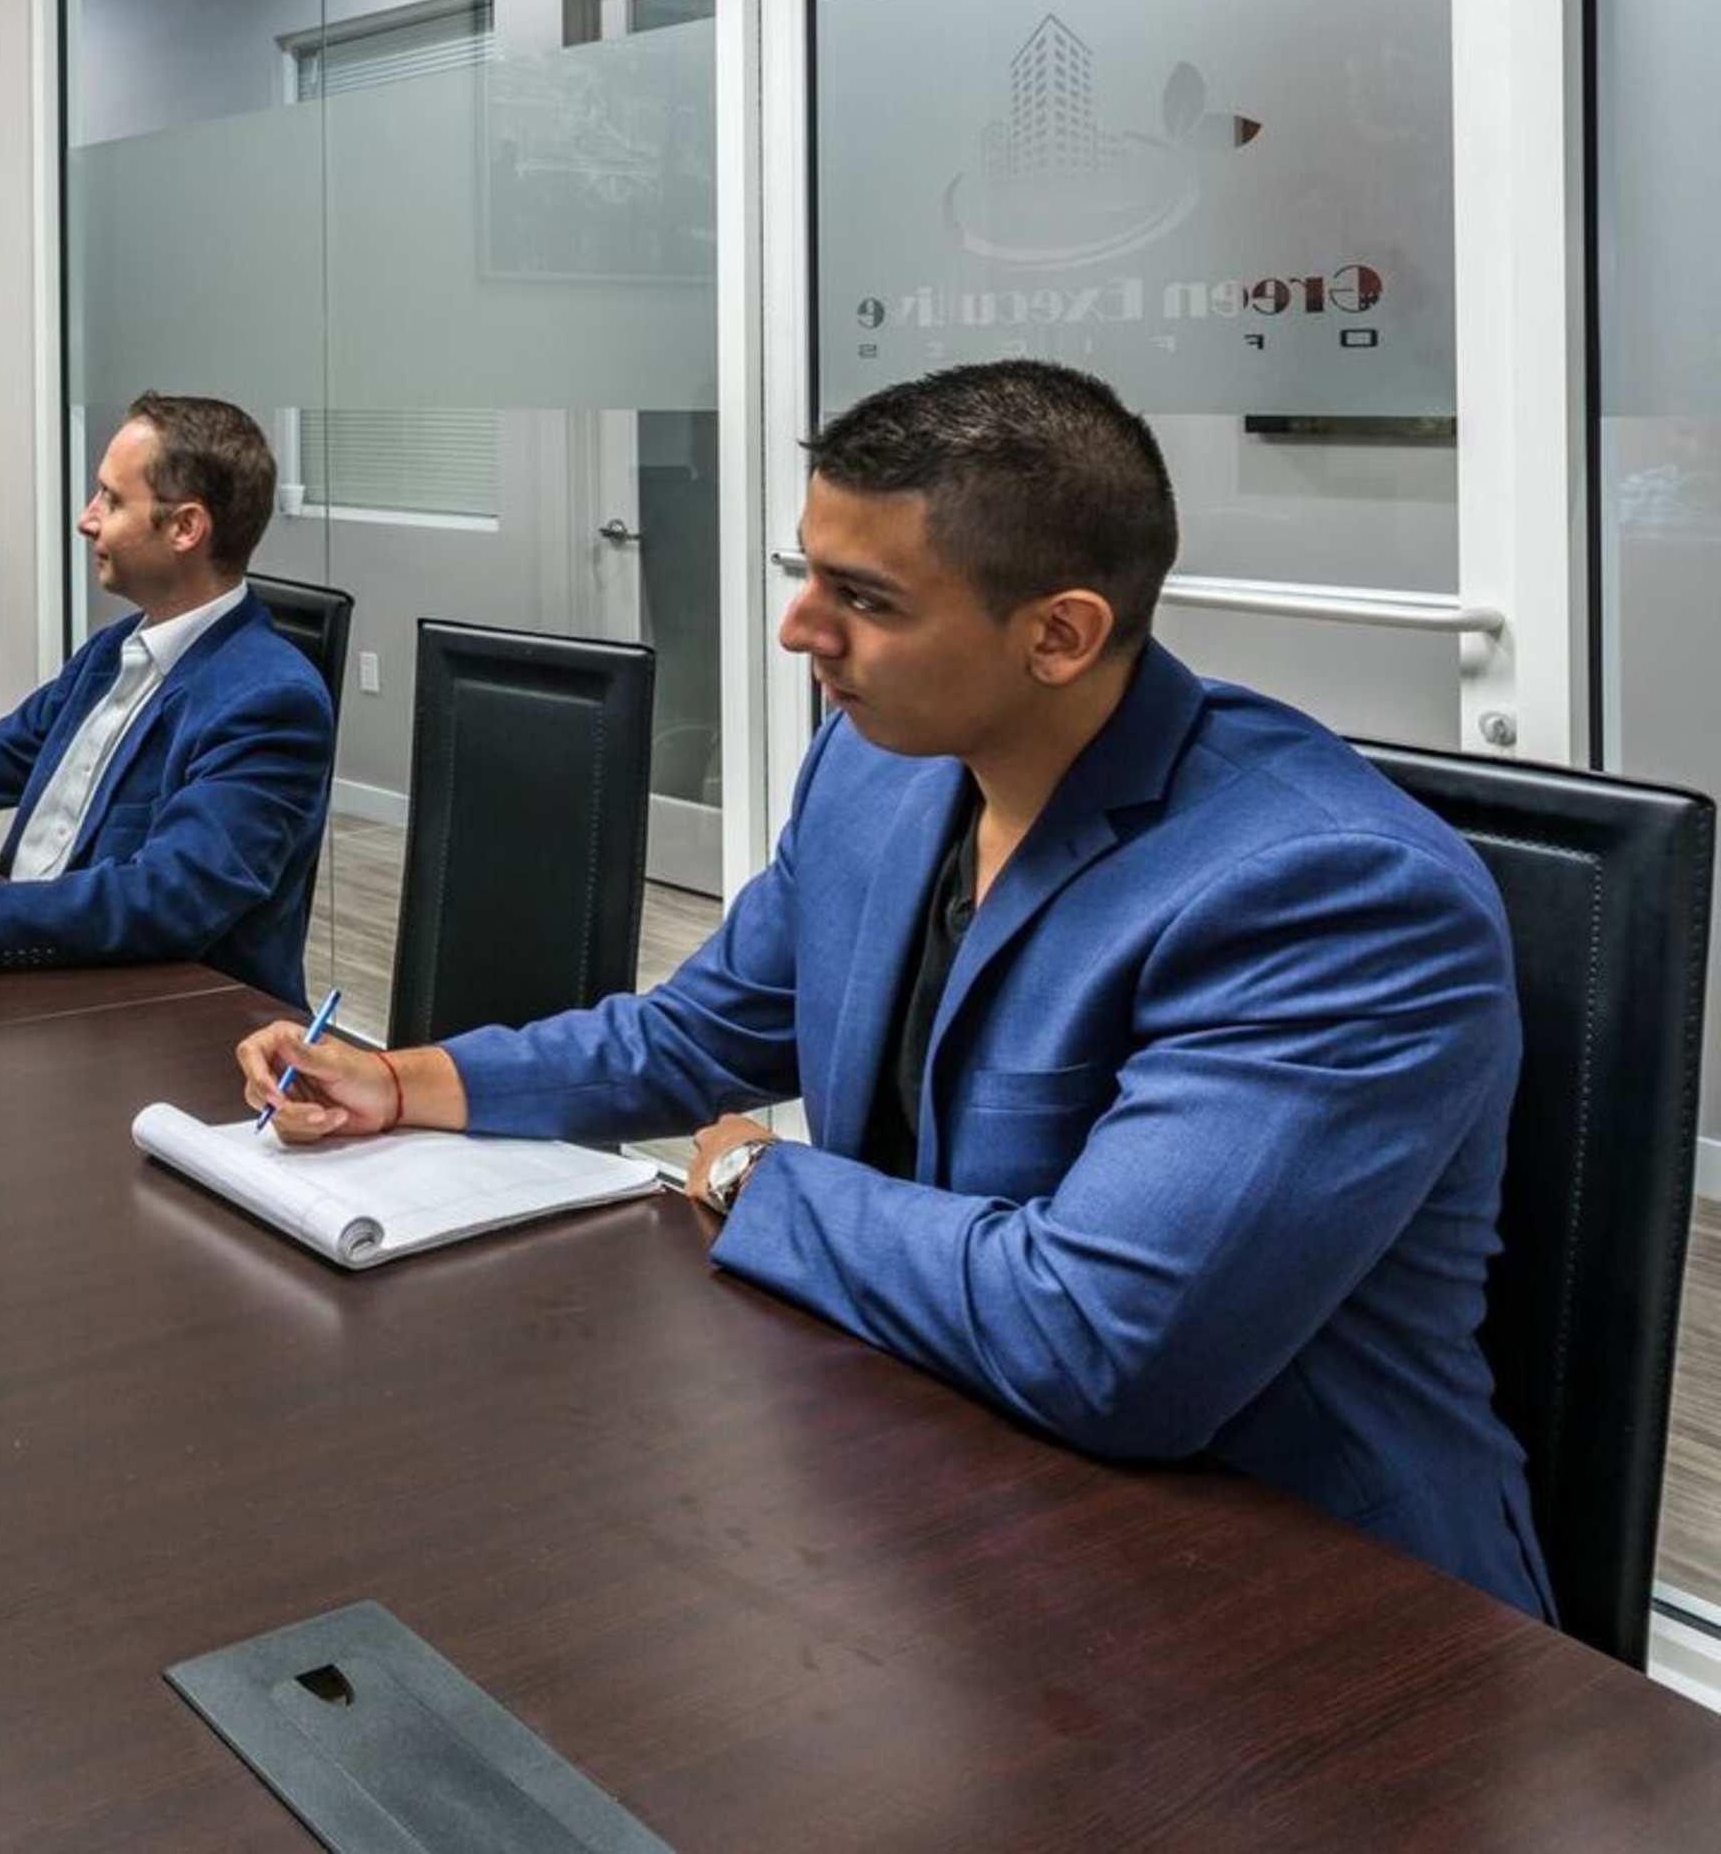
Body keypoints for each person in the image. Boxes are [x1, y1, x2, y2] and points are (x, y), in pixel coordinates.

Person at [236, 360, 1549, 1616]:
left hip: (1305, 1600)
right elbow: (701, 1031)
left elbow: (1103, 1340)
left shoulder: (1332, 896)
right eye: (812, 572)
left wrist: (765, 1177)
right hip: (949, 1481)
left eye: (863, 598)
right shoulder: (880, 771)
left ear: (1059, 633)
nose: (798, 628)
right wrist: (410, 1080)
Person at [0, 391, 333, 996]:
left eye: (111, 499)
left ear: (186, 527)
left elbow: (168, 896)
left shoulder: (271, 702)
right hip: (41, 977)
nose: (87, 519)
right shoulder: (111, 652)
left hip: (160, 1028)